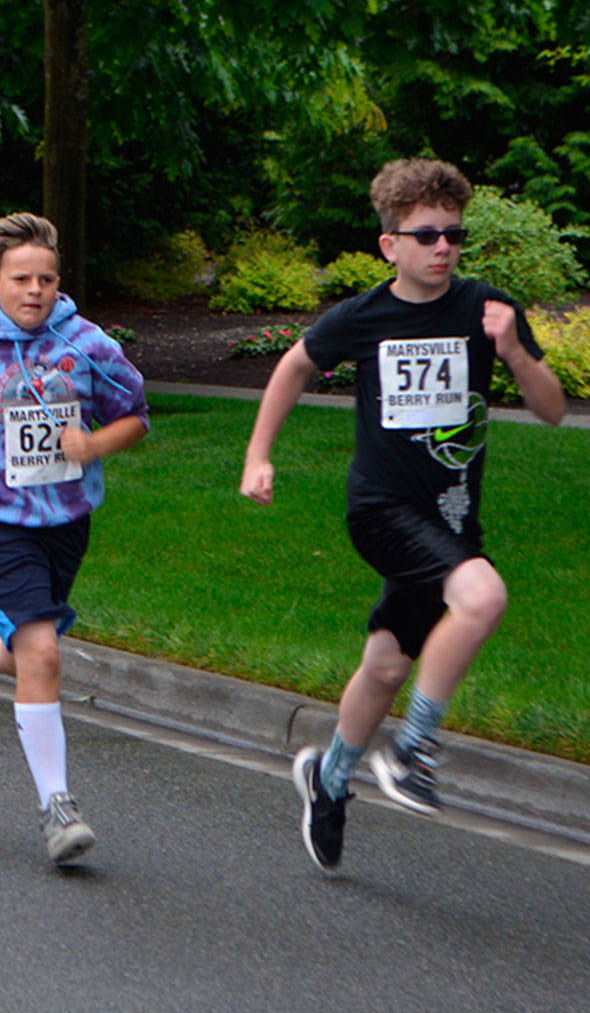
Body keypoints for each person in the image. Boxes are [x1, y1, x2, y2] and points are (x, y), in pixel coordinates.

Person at [240, 159, 566, 874]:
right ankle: (412, 751)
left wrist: (513, 351)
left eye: (454, 234)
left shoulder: (487, 309)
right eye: (426, 235)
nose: (443, 247)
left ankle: (329, 778)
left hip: (451, 518)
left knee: (387, 664)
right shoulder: (364, 317)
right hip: (381, 509)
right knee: (483, 596)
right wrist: (258, 455)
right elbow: (294, 366)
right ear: (390, 244)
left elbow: (553, 410)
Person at [0, 212, 150, 866]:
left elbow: (135, 416)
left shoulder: (88, 343)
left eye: (46, 278)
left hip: (67, 520)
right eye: (20, 278)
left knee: (30, 652)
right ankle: (57, 807)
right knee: (41, 651)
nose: (35, 289)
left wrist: (93, 444)